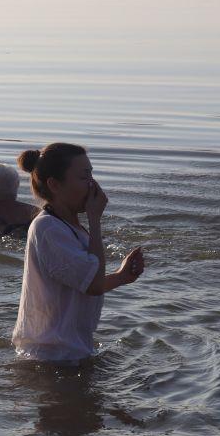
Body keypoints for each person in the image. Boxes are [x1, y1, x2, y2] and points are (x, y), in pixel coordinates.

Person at [12, 142, 144, 364]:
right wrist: (94, 220)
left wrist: (121, 277)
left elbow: (84, 281)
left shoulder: (69, 226)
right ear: (54, 184)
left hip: (70, 353)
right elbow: (92, 285)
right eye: (84, 177)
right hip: (50, 358)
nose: (93, 185)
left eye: (91, 175)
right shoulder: (48, 227)